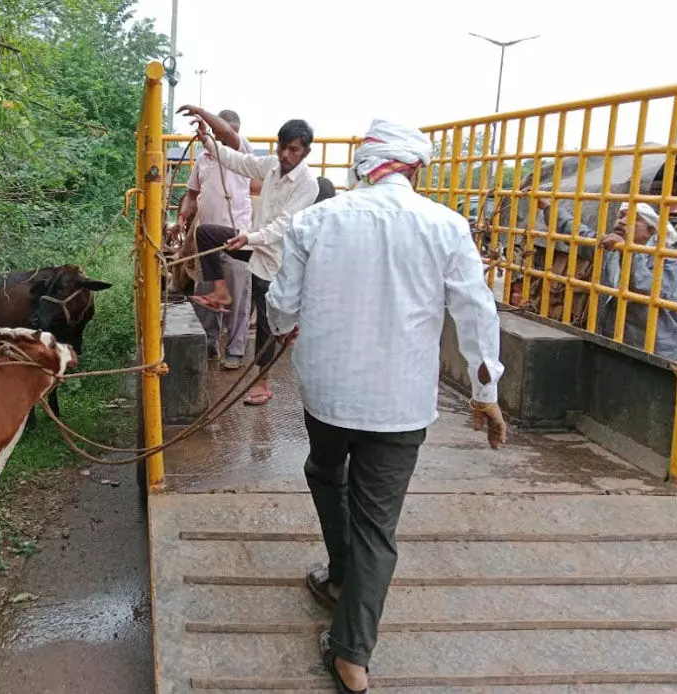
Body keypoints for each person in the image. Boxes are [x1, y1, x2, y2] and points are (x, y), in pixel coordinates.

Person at [265, 118, 508, 694]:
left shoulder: (315, 221)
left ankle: (340, 579)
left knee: (324, 469)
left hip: (328, 393)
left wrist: (284, 327)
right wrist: (486, 394)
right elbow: (477, 313)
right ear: (415, 169)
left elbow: (281, 302)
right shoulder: (447, 226)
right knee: (379, 525)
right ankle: (352, 654)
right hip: (402, 402)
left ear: (362, 166)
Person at [178, 104, 319, 406]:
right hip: (253, 244)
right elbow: (239, 161)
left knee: (266, 323)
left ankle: (263, 383)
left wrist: (249, 237)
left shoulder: (308, 184)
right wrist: (207, 141)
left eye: (293, 150)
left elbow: (284, 225)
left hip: (275, 259)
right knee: (206, 233)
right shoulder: (271, 165)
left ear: (305, 152)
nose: (285, 155)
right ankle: (219, 291)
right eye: (282, 147)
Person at [536, 197, 677, 360]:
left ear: (651, 231)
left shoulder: (667, 259)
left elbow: (649, 291)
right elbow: (577, 233)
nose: (622, 221)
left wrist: (628, 253)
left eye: (634, 219)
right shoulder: (610, 249)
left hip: (655, 353)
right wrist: (549, 206)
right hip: (615, 345)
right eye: (621, 216)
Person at [168, 109, 254, 369]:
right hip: (205, 239)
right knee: (205, 293)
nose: (219, 136)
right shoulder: (203, 159)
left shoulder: (241, 154)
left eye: (221, 132)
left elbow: (227, 133)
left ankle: (236, 350)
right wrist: (182, 217)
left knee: (238, 296)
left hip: (236, 236)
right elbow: (193, 195)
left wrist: (202, 116)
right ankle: (208, 345)